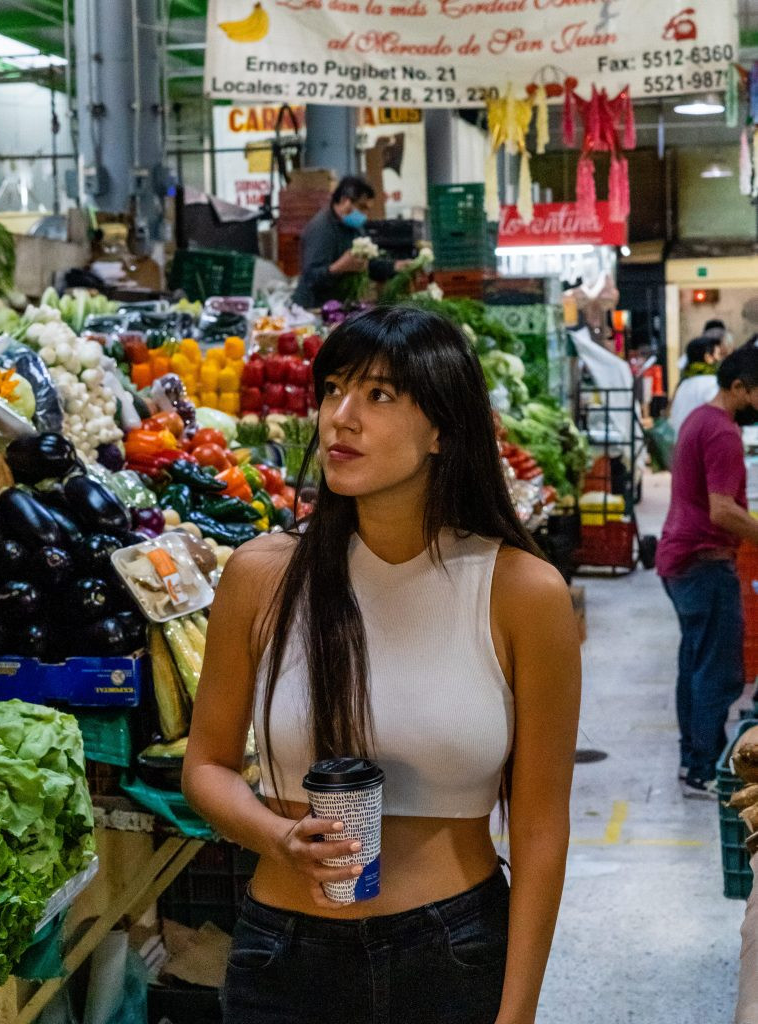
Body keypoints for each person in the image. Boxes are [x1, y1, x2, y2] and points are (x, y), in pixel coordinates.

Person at [183, 306, 582, 1024]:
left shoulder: (521, 592)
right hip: (282, 959)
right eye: (333, 388)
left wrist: (515, 1012)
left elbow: (540, 825)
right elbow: (206, 766)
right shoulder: (262, 575)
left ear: (442, 430)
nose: (340, 416)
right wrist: (276, 835)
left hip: (452, 952)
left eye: (378, 395)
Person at [657, 346, 758, 798]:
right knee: (720, 672)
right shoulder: (722, 432)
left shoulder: (699, 418)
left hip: (681, 560)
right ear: (739, 387)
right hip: (702, 561)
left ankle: (691, 762)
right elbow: (722, 510)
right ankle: (704, 769)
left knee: (695, 664)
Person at [291, 176, 407, 309]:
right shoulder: (321, 229)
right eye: (362, 207)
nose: (365, 214)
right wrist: (338, 267)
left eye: (368, 209)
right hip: (314, 309)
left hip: (340, 306)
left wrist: (395, 267)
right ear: (345, 201)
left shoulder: (354, 227)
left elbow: (368, 265)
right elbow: (311, 277)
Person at [669, 335, 723, 437]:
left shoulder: (684, 383)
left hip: (681, 442)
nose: (720, 359)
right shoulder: (712, 383)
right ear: (708, 357)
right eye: (718, 354)